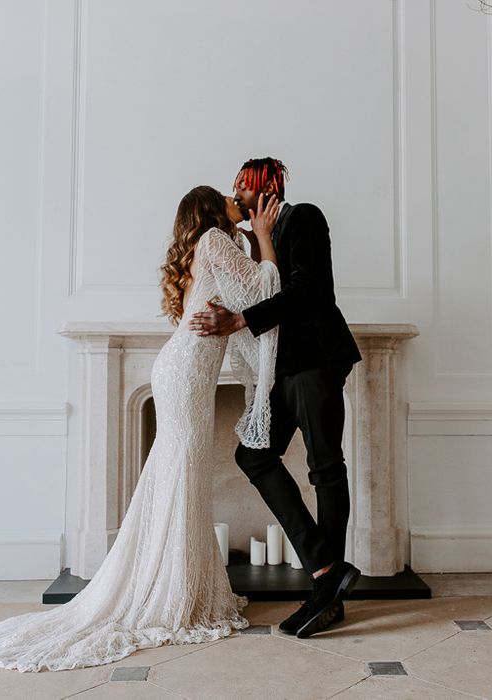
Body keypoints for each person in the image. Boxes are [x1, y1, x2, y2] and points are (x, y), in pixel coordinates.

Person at [0, 186, 282, 673]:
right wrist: (263, 234)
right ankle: (175, 593)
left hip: (183, 371)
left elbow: (247, 298)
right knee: (182, 475)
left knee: (181, 476)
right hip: (186, 375)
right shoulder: (216, 241)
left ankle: (183, 586)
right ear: (208, 210)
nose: (234, 198)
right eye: (226, 196)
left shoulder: (213, 246)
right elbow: (266, 290)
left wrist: (251, 241)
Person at [189, 157, 363, 639]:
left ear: (261, 187)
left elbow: (308, 290)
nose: (235, 196)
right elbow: (255, 288)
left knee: (325, 467)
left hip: (315, 361)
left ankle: (325, 592)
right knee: (253, 454)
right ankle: (326, 568)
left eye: (240, 188)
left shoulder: (304, 216)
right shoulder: (248, 239)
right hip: (281, 368)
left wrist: (241, 320)